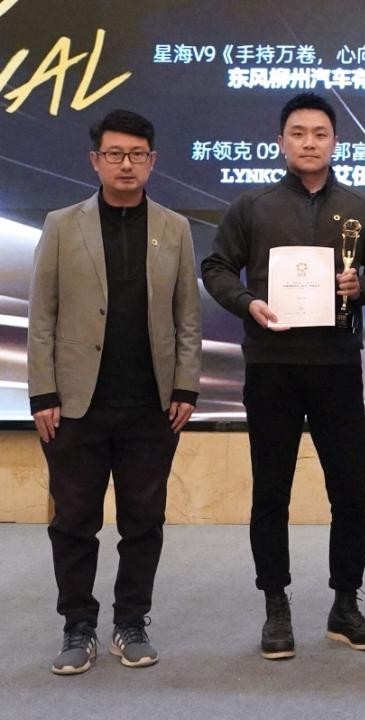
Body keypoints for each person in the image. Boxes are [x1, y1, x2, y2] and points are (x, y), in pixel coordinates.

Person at [202, 92, 365, 660]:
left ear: (335, 142)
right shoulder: (252, 206)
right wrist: (247, 303)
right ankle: (275, 605)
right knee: (271, 490)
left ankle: (345, 604)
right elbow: (216, 267)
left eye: (320, 134)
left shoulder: (361, 209)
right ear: (281, 142)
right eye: (299, 133)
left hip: (337, 365)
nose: (310, 142)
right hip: (272, 365)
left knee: (350, 490)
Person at [27, 109, 201, 674]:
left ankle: (131, 621)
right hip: (75, 406)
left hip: (152, 405)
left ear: (152, 161)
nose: (126, 164)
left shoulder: (174, 227)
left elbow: (187, 317)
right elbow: (42, 317)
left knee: (143, 521)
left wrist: (186, 385)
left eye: (137, 155)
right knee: (74, 521)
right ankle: (78, 625)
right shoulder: (61, 225)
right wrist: (43, 393)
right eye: (115, 154)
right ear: (95, 160)